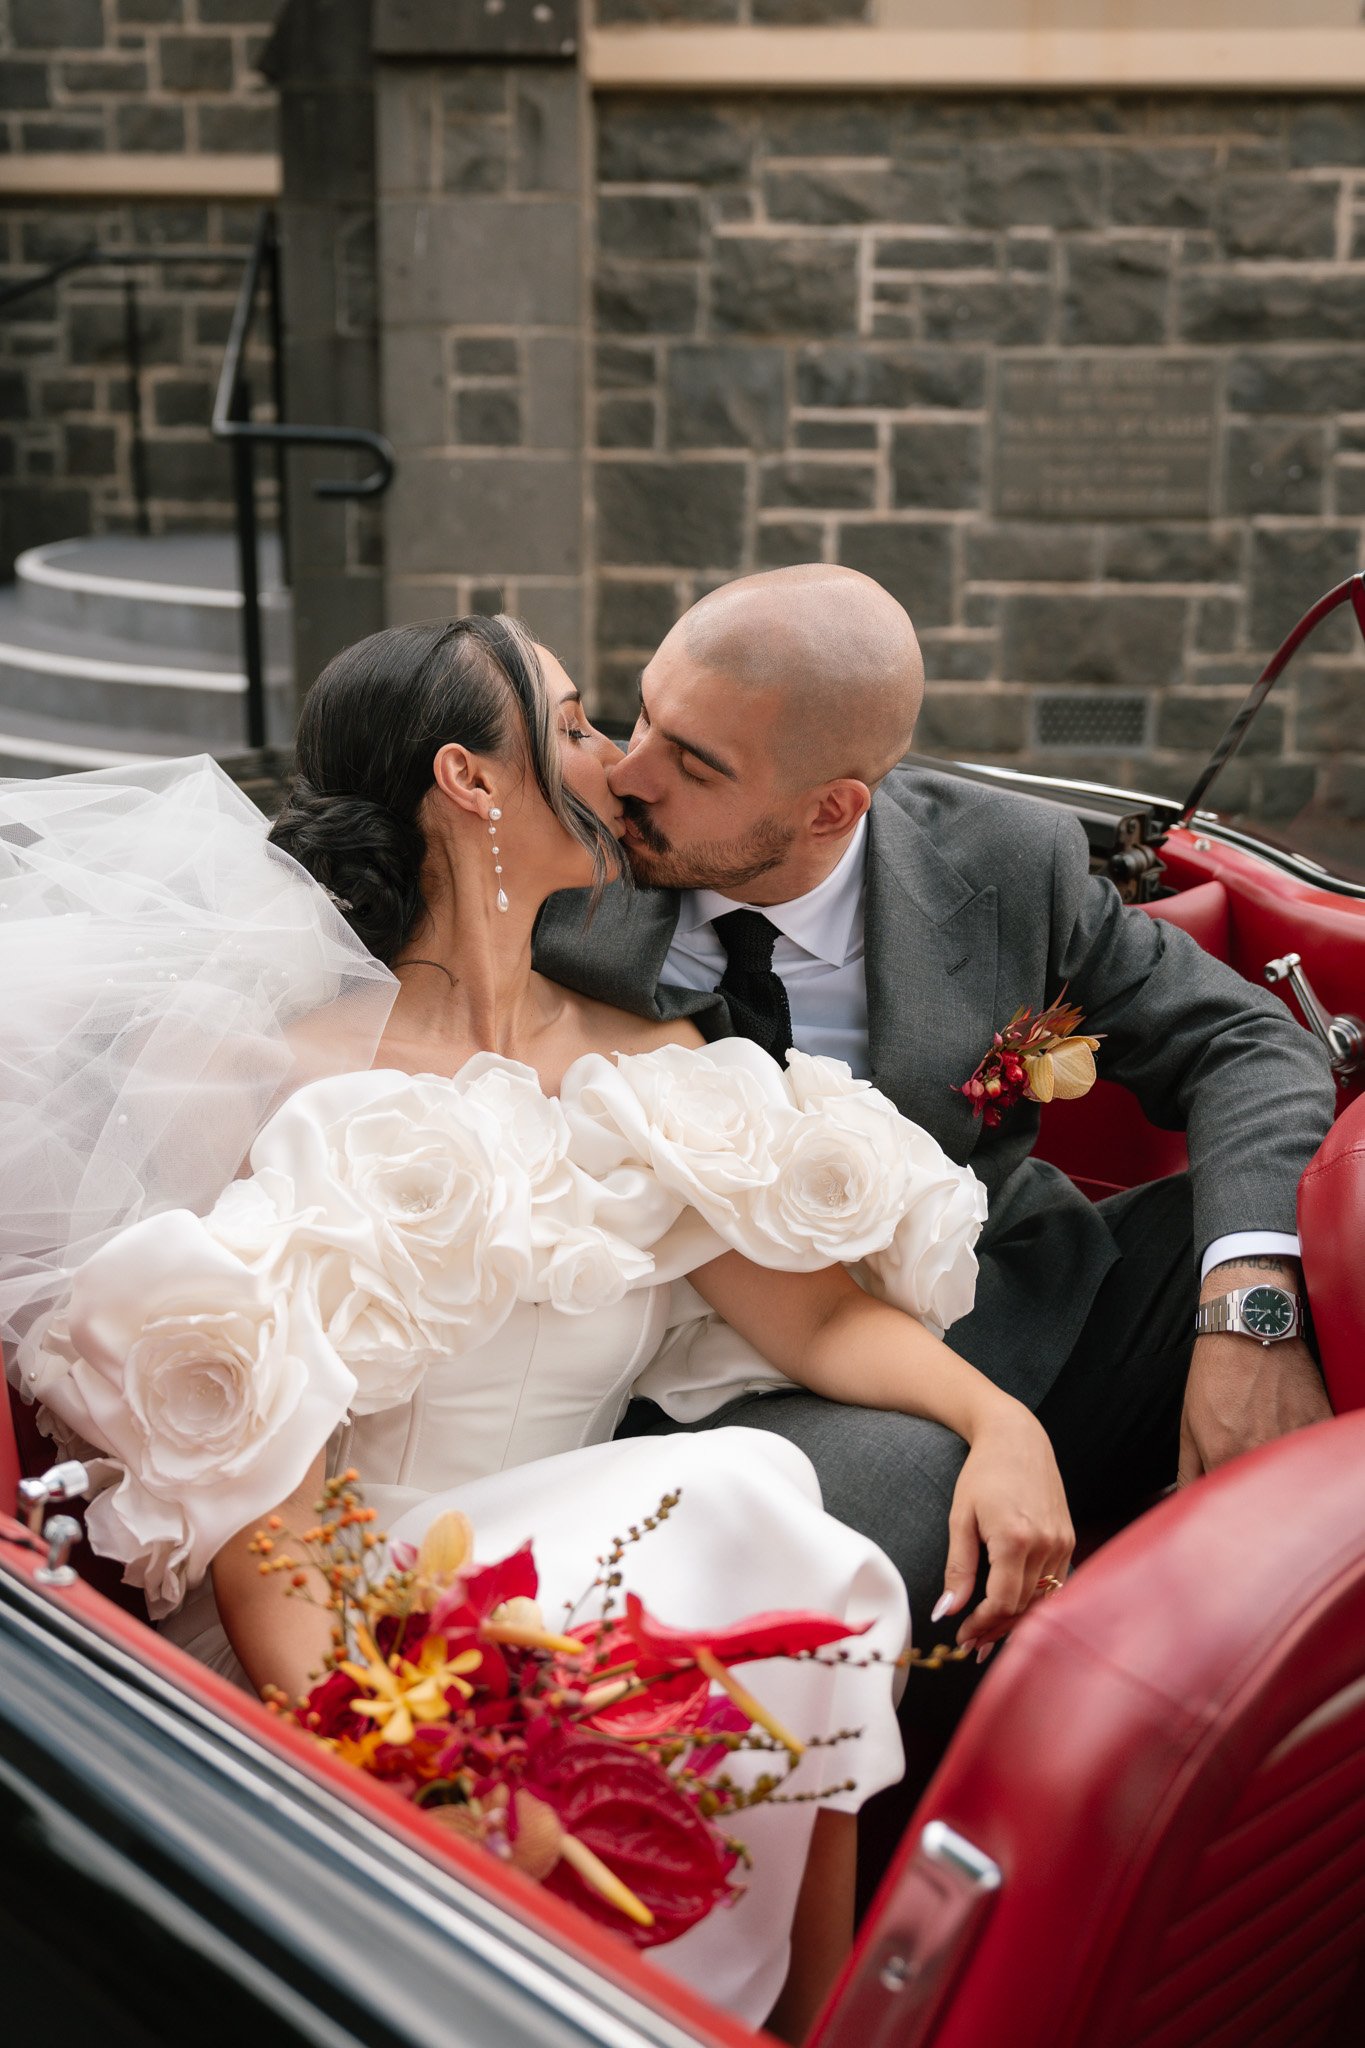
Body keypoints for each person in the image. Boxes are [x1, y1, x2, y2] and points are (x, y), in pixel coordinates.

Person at [0, 616, 1072, 2038]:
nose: (620, 765)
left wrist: (1002, 1423)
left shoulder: (650, 1066)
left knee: (787, 1537)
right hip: (335, 1624)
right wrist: (391, 1738)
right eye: (576, 725)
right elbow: (241, 1453)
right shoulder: (265, 1066)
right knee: (748, 1502)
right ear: (472, 780)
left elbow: (810, 1321)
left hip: (576, 1578)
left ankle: (796, 2019)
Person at [535, 564, 1337, 1670]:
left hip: (1022, 1310)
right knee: (897, 1500)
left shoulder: (1009, 861)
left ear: (833, 806)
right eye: (644, 715)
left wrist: (1252, 1310)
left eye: (696, 761)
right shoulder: (560, 882)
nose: (631, 774)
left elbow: (1248, 1041)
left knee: (1343, 1243)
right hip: (734, 1388)